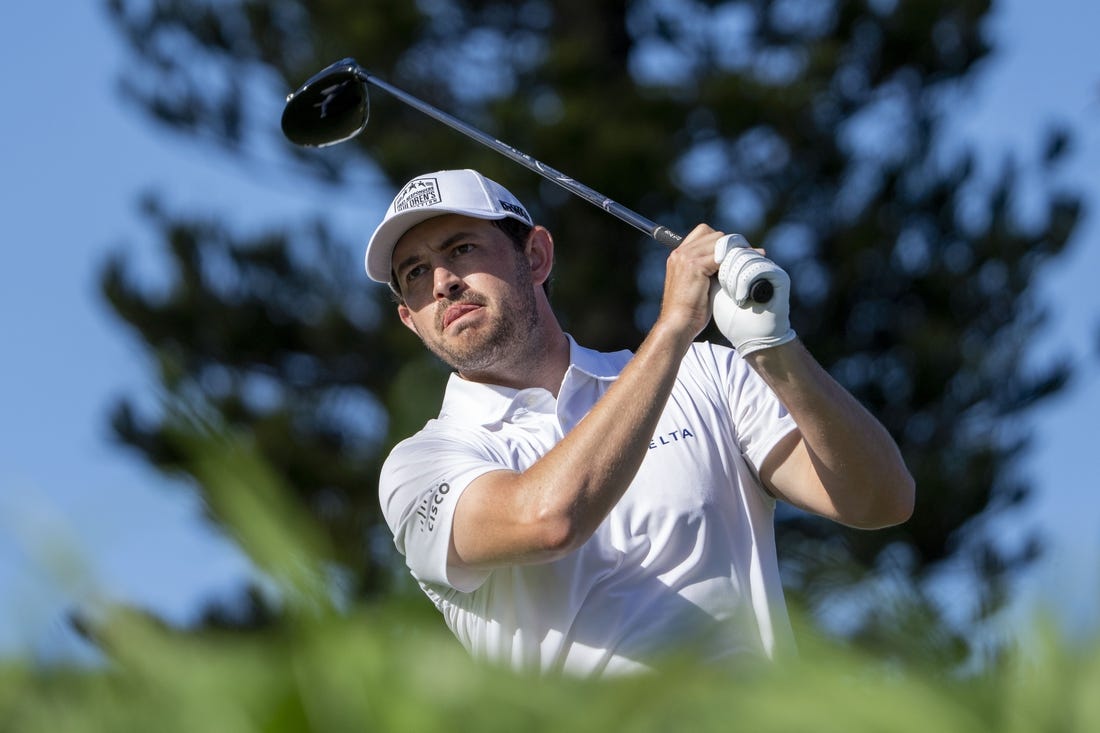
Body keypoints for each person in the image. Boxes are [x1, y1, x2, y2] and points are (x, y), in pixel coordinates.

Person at [367, 168, 915, 678]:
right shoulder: (420, 464)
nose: (442, 282)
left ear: (535, 256)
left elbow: (880, 501)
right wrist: (676, 326)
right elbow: (549, 520)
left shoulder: (706, 375)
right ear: (409, 320)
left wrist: (772, 348)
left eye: (461, 249)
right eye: (415, 273)